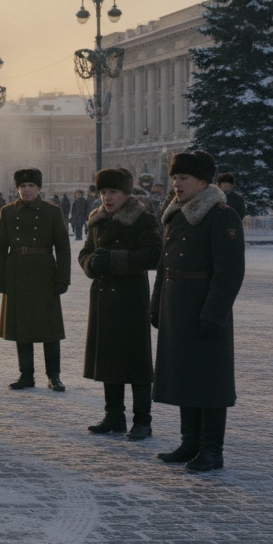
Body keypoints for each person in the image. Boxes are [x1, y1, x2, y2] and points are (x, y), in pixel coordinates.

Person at [151, 150, 244, 472]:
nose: (176, 184)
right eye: (175, 178)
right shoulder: (176, 214)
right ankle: (189, 442)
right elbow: (165, 265)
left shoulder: (221, 216)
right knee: (184, 377)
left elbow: (229, 273)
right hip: (176, 308)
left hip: (204, 308)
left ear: (203, 183)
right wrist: (156, 304)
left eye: (183, 179)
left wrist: (213, 314)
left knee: (210, 382)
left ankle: (211, 450)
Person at [79, 168, 162, 439]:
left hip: (130, 297)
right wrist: (91, 263)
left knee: (136, 361)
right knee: (109, 358)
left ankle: (142, 420)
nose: (107, 197)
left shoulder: (143, 220)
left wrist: (115, 259)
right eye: (103, 192)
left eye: (113, 192)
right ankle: (114, 415)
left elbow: (153, 256)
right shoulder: (97, 220)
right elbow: (85, 252)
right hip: (103, 295)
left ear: (127, 193)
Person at [0, 167, 72, 391]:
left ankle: (54, 375)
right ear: (17, 188)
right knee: (22, 325)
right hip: (16, 271)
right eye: (22, 187)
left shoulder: (52, 212)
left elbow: (63, 248)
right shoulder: (7, 212)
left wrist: (62, 278)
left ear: (39, 188)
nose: (26, 191)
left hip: (44, 271)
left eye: (31, 186)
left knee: (50, 327)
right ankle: (26, 374)